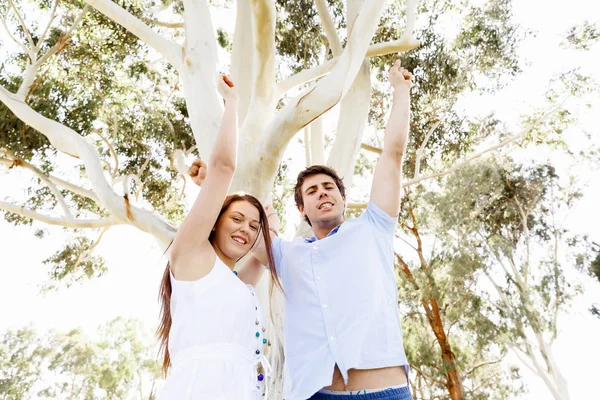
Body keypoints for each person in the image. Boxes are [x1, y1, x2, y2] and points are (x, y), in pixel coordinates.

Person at [240, 60, 414, 400]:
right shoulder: (286, 254)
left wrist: (401, 91)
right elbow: (240, 226)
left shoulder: (373, 227)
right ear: (302, 209)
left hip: (386, 392)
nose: (322, 193)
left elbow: (392, 156)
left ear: (344, 198)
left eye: (329, 187)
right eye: (312, 191)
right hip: (316, 394)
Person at [156, 75, 281, 400]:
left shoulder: (239, 282)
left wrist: (269, 224)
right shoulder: (191, 258)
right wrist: (233, 102)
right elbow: (223, 167)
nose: (246, 229)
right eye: (236, 219)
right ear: (214, 223)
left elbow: (265, 253)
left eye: (254, 226)